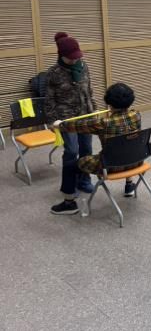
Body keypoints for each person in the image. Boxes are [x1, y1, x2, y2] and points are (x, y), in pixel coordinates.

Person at [50, 83, 141, 214]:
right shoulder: (136, 115)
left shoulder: (102, 123)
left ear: (108, 102)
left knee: (70, 165)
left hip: (110, 166)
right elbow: (119, 123)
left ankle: (69, 203)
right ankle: (129, 186)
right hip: (135, 161)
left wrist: (60, 124)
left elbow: (77, 126)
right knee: (126, 146)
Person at [45, 32, 96, 210]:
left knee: (87, 150)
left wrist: (93, 111)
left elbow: (89, 91)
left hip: (85, 116)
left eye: (77, 56)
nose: (75, 59)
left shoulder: (83, 66)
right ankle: (69, 187)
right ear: (61, 54)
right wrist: (52, 121)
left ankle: (84, 180)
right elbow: (49, 100)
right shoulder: (53, 73)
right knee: (71, 151)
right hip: (66, 119)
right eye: (71, 57)